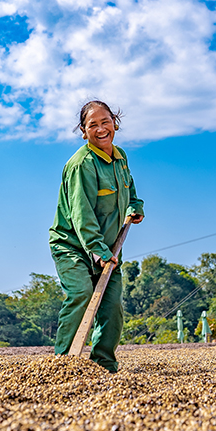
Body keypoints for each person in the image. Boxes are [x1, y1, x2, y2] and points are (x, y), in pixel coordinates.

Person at [49, 100, 144, 373]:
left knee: (112, 306)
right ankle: (63, 364)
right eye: (93, 124)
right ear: (83, 130)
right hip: (73, 246)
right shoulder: (81, 165)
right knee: (81, 293)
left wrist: (135, 205)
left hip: (110, 248)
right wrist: (97, 251)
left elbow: (129, 186)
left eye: (106, 122)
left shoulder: (120, 156)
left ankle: (103, 364)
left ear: (115, 122)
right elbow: (82, 214)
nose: (101, 129)